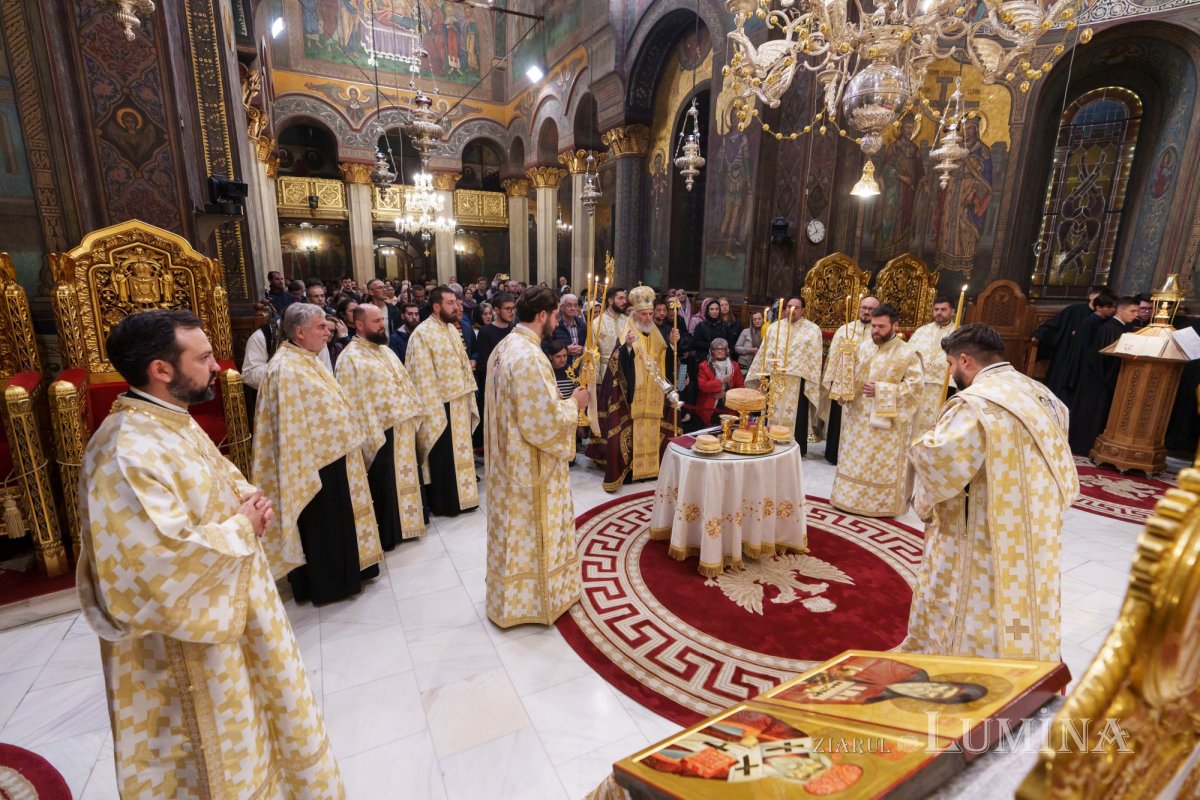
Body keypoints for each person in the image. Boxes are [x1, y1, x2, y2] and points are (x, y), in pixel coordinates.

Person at [77, 309, 343, 797]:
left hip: (235, 611)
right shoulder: (125, 450)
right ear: (162, 370)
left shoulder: (169, 420)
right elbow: (154, 565)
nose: (218, 366)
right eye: (201, 357)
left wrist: (248, 499)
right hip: (191, 646)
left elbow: (217, 475)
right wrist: (243, 527)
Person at [902, 323, 1078, 660]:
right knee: (1022, 593)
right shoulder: (1042, 394)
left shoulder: (975, 404)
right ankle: (1025, 659)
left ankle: (966, 660)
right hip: (1035, 521)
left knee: (976, 597)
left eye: (951, 364)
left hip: (984, 526)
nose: (951, 372)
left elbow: (942, 459)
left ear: (965, 360)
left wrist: (920, 442)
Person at [253, 303, 382, 605]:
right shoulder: (285, 368)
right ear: (300, 332)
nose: (329, 331)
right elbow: (290, 427)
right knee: (325, 525)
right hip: (315, 464)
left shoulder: (305, 359)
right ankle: (331, 585)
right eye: (321, 327)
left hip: (335, 455)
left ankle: (351, 573)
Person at [484, 286, 589, 627]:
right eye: (556, 315)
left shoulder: (504, 348)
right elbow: (544, 422)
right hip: (531, 466)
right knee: (532, 530)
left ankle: (512, 601)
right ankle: (538, 600)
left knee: (513, 533)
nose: (557, 322)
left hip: (508, 461)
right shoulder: (529, 356)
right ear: (543, 315)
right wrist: (576, 403)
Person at [337, 304, 429, 550]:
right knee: (385, 483)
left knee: (407, 477)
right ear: (359, 325)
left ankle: (411, 524)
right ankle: (392, 533)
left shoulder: (385, 351)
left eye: (382, 320)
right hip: (379, 431)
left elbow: (404, 383)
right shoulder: (350, 357)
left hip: (403, 426)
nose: (381, 325)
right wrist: (371, 431)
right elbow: (353, 400)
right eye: (376, 321)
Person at [830, 304, 923, 517]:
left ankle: (878, 505)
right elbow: (849, 380)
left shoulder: (908, 353)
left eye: (881, 326)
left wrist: (882, 390)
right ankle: (847, 498)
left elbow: (915, 390)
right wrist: (844, 375)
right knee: (855, 460)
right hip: (857, 419)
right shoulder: (862, 347)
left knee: (877, 463)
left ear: (895, 325)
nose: (875, 331)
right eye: (873, 326)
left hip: (885, 425)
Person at [406, 286, 480, 516]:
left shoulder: (451, 330)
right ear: (436, 306)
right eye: (450, 303)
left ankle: (465, 499)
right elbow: (421, 375)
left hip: (459, 402)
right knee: (444, 456)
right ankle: (446, 504)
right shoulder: (422, 334)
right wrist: (432, 409)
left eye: (456, 302)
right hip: (440, 406)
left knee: (461, 452)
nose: (456, 307)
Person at [596, 285, 680, 491]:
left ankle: (653, 469)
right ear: (635, 314)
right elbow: (617, 362)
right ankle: (632, 470)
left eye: (651, 314)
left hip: (654, 395)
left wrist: (671, 345)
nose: (648, 317)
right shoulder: (629, 332)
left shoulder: (656, 333)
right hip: (632, 396)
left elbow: (665, 361)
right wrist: (627, 348)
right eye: (644, 314)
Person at [746, 297, 823, 449]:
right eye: (789, 307)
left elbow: (815, 357)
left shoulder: (813, 330)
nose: (792, 310)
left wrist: (804, 373)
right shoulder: (774, 328)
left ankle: (795, 448)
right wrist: (760, 373)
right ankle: (768, 442)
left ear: (803, 310)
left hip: (798, 381)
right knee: (771, 411)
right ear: (784, 309)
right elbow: (764, 353)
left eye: (796, 307)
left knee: (797, 415)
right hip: (775, 379)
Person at [1068, 296, 1138, 456]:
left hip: (1100, 379)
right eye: (1132, 311)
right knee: (1091, 414)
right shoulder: (1110, 329)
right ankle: (1083, 446)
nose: (1135, 314)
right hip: (1098, 380)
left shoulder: (1118, 328)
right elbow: (1104, 359)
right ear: (1120, 309)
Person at [820, 294, 879, 465]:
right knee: (839, 420)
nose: (867, 311)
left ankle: (856, 457)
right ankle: (834, 455)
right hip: (843, 385)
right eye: (864, 307)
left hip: (866, 387)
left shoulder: (879, 332)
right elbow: (832, 358)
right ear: (859, 308)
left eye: (871, 309)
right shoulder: (844, 330)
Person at [1033, 285, 1110, 403]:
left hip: (1084, 361)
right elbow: (1053, 326)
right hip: (1066, 355)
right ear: (1091, 296)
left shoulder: (1103, 318)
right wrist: (1038, 335)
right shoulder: (1074, 310)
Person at [907, 295, 959, 434]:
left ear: (952, 312)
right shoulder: (922, 331)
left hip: (944, 386)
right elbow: (908, 354)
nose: (939, 313)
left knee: (937, 422)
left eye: (943, 309)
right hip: (919, 384)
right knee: (914, 423)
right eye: (936, 309)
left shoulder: (959, 333)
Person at [1056, 293, 1117, 409]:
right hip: (1082, 360)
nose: (1113, 310)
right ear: (1099, 307)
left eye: (1114, 307)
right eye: (1109, 307)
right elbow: (1083, 345)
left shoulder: (1101, 321)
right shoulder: (1090, 321)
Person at [474, 292, 515, 446]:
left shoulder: (514, 330)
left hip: (512, 384)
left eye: (513, 309)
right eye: (508, 309)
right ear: (496, 310)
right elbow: (486, 363)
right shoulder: (486, 332)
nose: (512, 312)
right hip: (494, 386)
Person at [686, 338, 745, 428]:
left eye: (722, 349)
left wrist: (726, 394)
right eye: (716, 349)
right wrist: (720, 381)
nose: (720, 351)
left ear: (727, 351)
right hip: (709, 406)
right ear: (711, 351)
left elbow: (741, 387)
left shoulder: (735, 366)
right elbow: (703, 386)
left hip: (729, 406)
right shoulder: (704, 365)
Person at [552, 293, 587, 360]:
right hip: (562, 366)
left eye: (575, 305)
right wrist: (565, 350)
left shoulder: (583, 325)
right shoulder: (555, 325)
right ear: (561, 307)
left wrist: (583, 350)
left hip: (580, 366)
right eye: (569, 305)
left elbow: (589, 346)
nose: (573, 308)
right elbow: (548, 348)